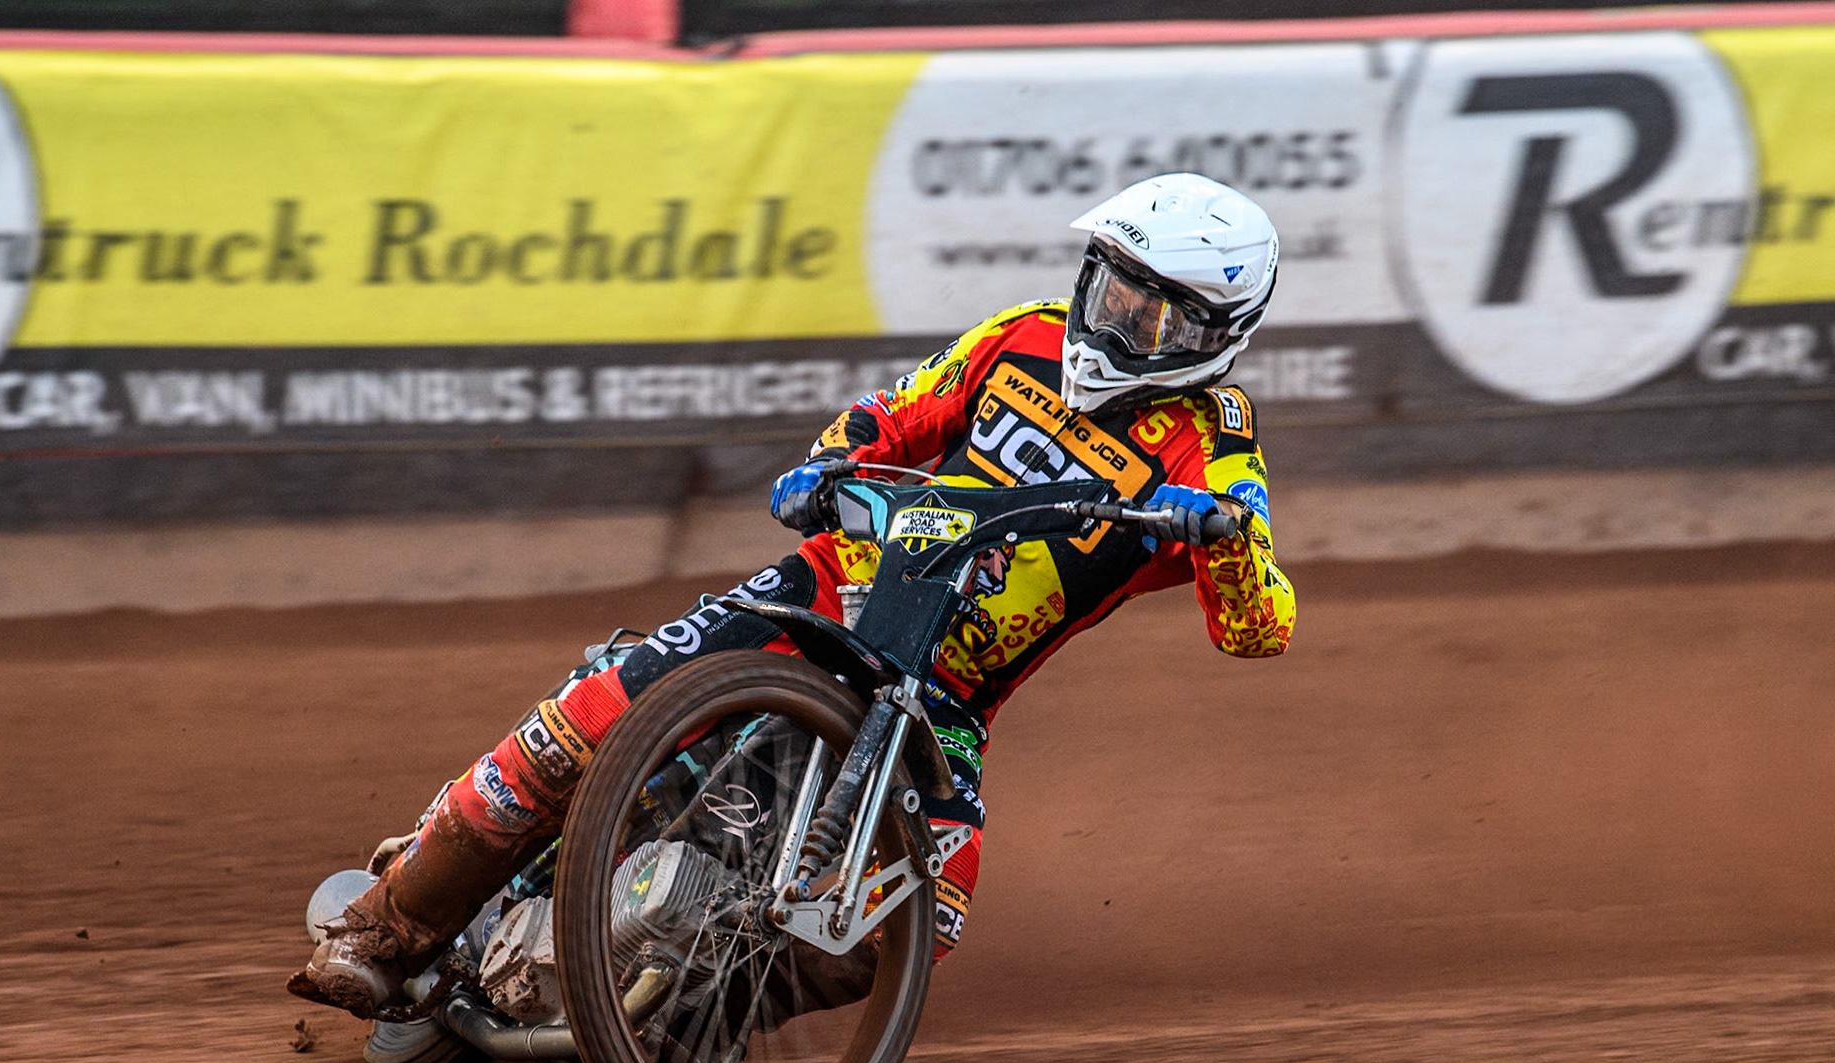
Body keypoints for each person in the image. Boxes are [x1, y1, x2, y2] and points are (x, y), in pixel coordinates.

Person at [291, 172, 1297, 1018]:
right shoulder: (1019, 337)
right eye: (1113, 286)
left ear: (1215, 329)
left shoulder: (1210, 440)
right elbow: (886, 416)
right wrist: (828, 467)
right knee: (590, 716)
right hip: (825, 594)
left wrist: (1225, 535)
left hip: (943, 699)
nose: (1118, 317)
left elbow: (1261, 629)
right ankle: (387, 924)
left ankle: (683, 1025)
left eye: (1152, 309)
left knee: (923, 915)